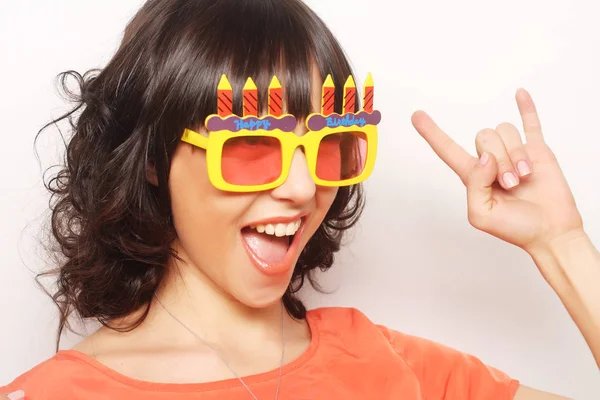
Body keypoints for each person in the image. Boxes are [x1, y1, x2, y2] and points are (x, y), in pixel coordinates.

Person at [2, 0, 599, 399]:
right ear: (155, 159)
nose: (304, 187)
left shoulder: (399, 368)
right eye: (251, 147)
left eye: (329, 145)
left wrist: (564, 246)